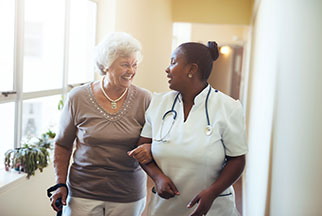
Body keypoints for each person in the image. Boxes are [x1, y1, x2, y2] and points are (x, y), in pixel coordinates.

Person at [129, 41, 248, 216]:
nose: (167, 69)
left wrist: (213, 192)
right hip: (165, 208)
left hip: (213, 208)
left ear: (191, 69)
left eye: (173, 62)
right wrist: (158, 177)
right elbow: (142, 150)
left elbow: (237, 160)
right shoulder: (158, 103)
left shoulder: (228, 107)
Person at [50, 32, 152, 216]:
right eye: (125, 64)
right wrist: (60, 183)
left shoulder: (144, 99)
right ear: (106, 65)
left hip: (127, 194)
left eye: (135, 64)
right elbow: (62, 144)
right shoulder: (78, 97)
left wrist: (150, 148)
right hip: (82, 193)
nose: (131, 71)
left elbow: (155, 140)